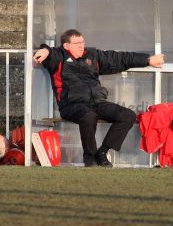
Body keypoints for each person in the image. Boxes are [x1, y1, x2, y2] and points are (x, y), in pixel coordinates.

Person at [33, 29, 164, 167]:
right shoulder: (58, 57)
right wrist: (45, 49)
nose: (81, 45)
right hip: (71, 105)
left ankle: (102, 152)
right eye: (77, 43)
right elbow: (47, 52)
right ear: (66, 46)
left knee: (128, 115)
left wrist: (148, 60)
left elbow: (119, 59)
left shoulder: (93, 55)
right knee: (88, 116)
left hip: (97, 102)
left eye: (82, 41)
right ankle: (89, 157)